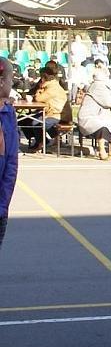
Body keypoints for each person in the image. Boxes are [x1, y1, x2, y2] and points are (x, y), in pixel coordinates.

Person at [77, 69, 111, 160]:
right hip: (88, 118)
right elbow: (108, 102)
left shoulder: (97, 85)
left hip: (97, 116)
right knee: (102, 127)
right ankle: (102, 151)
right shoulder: (98, 86)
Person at [19, 66, 67, 152]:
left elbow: (39, 99)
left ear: (44, 78)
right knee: (24, 120)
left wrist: (39, 90)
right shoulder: (50, 86)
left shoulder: (52, 88)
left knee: (36, 123)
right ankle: (39, 141)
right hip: (49, 112)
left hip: (57, 114)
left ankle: (42, 143)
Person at [0, 57, 19, 252]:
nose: (12, 83)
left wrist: (3, 205)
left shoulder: (8, 113)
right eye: (10, 78)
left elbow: (11, 162)